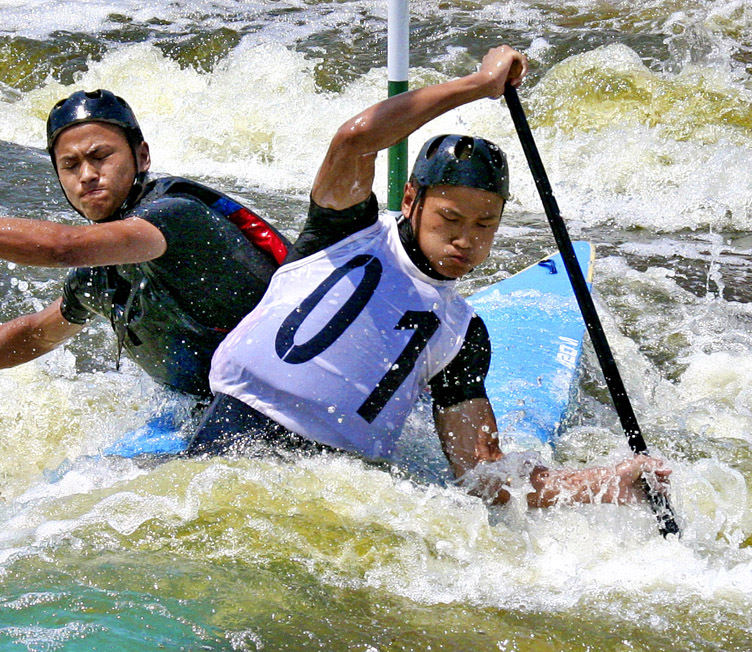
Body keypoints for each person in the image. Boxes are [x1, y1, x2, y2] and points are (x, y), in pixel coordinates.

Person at [189, 46, 671, 508]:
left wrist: (607, 482)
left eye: (486, 225)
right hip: (232, 432)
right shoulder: (345, 230)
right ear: (410, 199)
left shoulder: (462, 335)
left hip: (333, 484)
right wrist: (480, 85)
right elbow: (355, 138)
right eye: (450, 218)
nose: (467, 240)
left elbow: (484, 476)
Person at [0, 89, 289, 399]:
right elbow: (34, 336)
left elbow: (63, 246)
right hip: (203, 409)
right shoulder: (97, 277)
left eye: (101, 156)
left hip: (283, 390)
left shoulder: (177, 217)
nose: (87, 175)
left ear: (141, 157)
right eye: (70, 165)